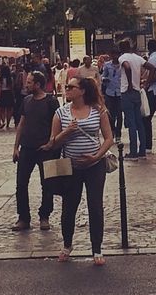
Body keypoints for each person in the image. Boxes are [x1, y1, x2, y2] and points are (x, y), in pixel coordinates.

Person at [46, 74, 114, 264]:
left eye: (71, 87)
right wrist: (66, 132)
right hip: (71, 166)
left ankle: (97, 249)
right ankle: (67, 245)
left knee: (95, 206)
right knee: (69, 207)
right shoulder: (61, 112)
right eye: (67, 87)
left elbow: (109, 138)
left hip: (94, 165)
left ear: (82, 91)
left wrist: (96, 156)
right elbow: (52, 142)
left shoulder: (98, 110)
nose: (67, 90)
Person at [11, 69, 60, 231]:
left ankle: (44, 215)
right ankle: (23, 217)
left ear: (38, 85)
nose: (27, 84)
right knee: (21, 183)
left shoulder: (51, 101)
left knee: (48, 184)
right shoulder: (26, 100)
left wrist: (51, 143)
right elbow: (21, 124)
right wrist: (15, 147)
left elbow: (57, 123)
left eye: (30, 82)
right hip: (27, 147)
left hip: (46, 149)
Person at [118, 40, 147, 158]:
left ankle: (133, 151)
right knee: (139, 122)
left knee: (131, 123)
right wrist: (146, 82)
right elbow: (152, 67)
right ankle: (142, 150)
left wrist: (129, 83)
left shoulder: (123, 58)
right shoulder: (138, 58)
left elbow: (127, 67)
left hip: (127, 92)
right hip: (136, 91)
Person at [99, 52, 124, 144]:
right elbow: (102, 76)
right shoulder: (107, 65)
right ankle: (112, 131)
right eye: (114, 55)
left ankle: (118, 135)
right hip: (109, 93)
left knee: (120, 115)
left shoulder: (122, 65)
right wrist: (104, 79)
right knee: (110, 115)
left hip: (120, 92)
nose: (116, 57)